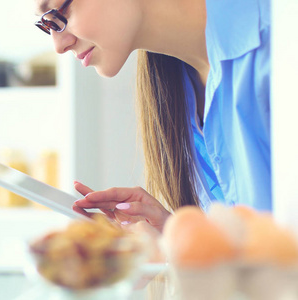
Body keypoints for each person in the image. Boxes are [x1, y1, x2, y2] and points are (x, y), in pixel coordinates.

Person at [33, 0, 271, 232]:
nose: (58, 46)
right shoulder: (173, 87)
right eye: (46, 26)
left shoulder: (280, 43)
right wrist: (175, 239)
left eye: (58, 15)